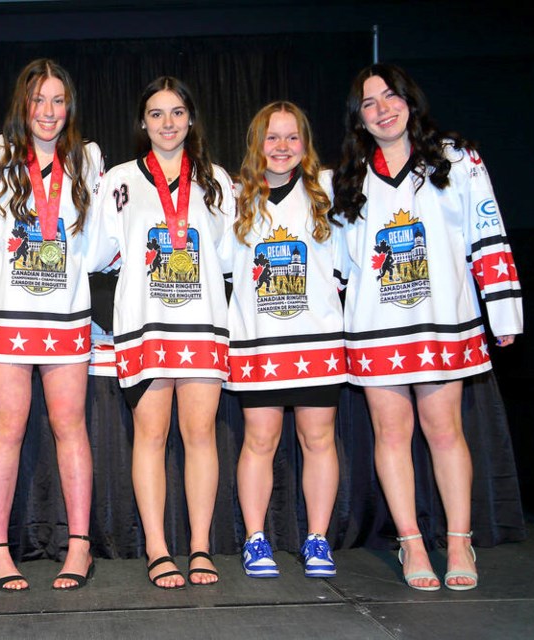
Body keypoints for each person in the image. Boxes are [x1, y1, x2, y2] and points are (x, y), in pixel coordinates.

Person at [330, 63, 523, 591]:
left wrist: (503, 310)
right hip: (376, 327)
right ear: (359, 119)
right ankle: (411, 542)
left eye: (390, 97)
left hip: (442, 322)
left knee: (445, 432)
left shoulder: (456, 159)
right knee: (391, 435)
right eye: (369, 103)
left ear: (410, 102)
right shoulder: (348, 176)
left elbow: (488, 235)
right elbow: (342, 267)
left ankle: (459, 540)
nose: (382, 109)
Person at [0, 58, 103, 592]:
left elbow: (95, 243)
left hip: (66, 312)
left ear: (69, 106)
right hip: (5, 311)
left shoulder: (88, 159)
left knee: (69, 425)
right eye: (38, 101)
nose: (47, 112)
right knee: (8, 428)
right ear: (21, 106)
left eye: (57, 100)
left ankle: (80, 546)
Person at [97, 76, 234, 589]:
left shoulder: (216, 179)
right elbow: (100, 255)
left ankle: (199, 546)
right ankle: (157, 547)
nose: (168, 123)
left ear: (191, 119)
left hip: (202, 321)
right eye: (157, 113)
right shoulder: (118, 180)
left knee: (200, 435)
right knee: (150, 437)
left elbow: (230, 258)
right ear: (142, 122)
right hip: (145, 324)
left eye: (177, 112)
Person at [221, 101, 345, 579]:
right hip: (257, 343)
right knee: (260, 440)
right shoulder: (235, 197)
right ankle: (256, 539)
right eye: (272, 138)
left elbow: (345, 265)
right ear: (257, 143)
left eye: (292, 138)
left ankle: (317, 538)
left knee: (318, 439)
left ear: (305, 145)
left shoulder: (327, 191)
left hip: (314, 339)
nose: (282, 147)